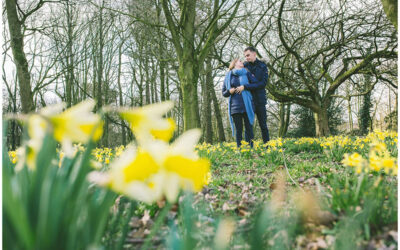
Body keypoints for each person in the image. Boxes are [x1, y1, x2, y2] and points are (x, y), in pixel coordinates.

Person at [236, 46, 270, 144]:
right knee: (248, 126)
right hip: (248, 101)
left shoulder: (263, 66)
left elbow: (262, 84)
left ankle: (267, 146)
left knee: (263, 125)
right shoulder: (245, 66)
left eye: (248, 55)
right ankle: (248, 148)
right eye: (245, 56)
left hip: (260, 100)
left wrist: (246, 86)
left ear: (254, 53)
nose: (246, 58)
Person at [222, 58, 257, 148]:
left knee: (249, 128)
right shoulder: (228, 76)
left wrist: (244, 87)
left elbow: (255, 85)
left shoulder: (247, 73)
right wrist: (230, 91)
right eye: (240, 61)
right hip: (235, 107)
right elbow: (224, 93)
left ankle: (251, 148)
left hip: (247, 105)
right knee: (239, 130)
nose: (242, 62)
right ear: (234, 64)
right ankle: (240, 149)